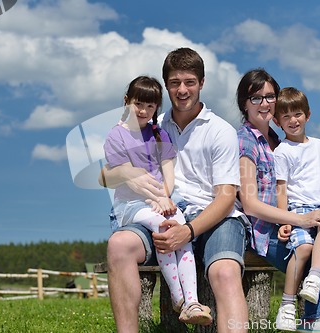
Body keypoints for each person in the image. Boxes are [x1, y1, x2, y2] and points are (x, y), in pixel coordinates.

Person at [102, 48, 249, 332]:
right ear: (166, 85)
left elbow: (227, 197)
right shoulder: (151, 125)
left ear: (202, 83)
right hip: (159, 210)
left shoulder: (220, 131)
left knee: (225, 271)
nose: (182, 90)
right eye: (175, 83)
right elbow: (105, 174)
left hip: (214, 217)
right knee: (118, 245)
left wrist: (189, 231)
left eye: (189, 82)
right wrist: (123, 173)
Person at [235, 69, 320, 333]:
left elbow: (304, 182)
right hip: (268, 233)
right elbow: (251, 204)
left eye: (269, 96)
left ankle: (319, 320)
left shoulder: (276, 140)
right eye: (256, 98)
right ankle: (319, 322)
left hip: (295, 220)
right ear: (244, 103)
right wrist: (300, 219)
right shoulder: (245, 141)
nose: (264, 103)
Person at [103, 75, 212, 325]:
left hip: (161, 200)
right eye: (138, 104)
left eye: (150, 106)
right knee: (162, 227)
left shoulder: (158, 134)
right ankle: (179, 299)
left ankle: (192, 301)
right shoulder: (116, 136)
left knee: (180, 228)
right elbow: (130, 177)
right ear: (126, 101)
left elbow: (168, 171)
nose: (143, 110)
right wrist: (155, 199)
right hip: (131, 205)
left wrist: (163, 196)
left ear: (156, 108)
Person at [271, 87, 320, 331]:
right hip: (298, 210)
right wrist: (286, 221)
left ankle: (314, 278)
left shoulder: (319, 145)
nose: (293, 120)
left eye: (298, 114)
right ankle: (287, 305)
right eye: (286, 116)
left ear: (308, 115)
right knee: (302, 248)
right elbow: (281, 189)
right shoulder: (281, 152)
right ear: (277, 121)